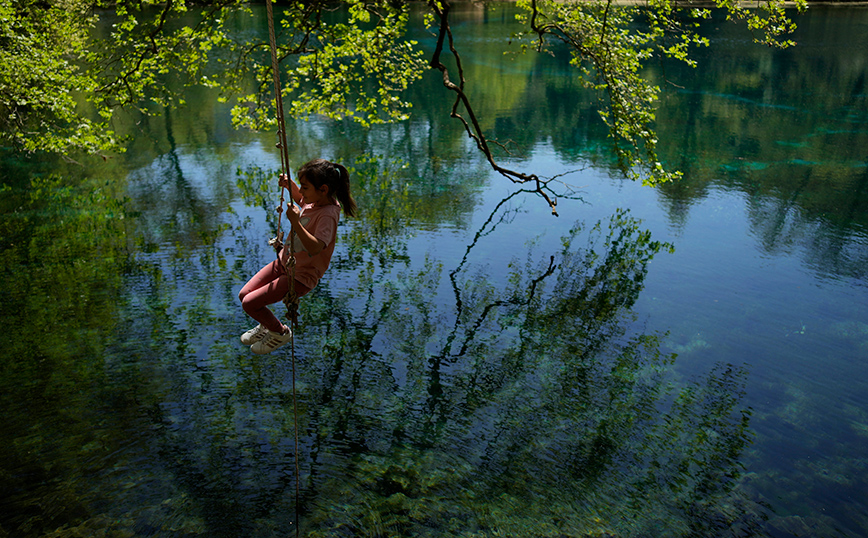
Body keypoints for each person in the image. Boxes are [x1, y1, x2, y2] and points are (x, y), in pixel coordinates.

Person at [238, 158, 357, 354]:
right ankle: (266, 324)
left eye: (305, 187)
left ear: (323, 189)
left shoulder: (328, 214)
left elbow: (316, 247)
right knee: (244, 295)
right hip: (284, 263)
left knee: (250, 303)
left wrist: (295, 223)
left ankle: (280, 332)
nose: (301, 191)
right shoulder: (315, 201)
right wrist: (290, 185)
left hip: (299, 276)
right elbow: (301, 199)